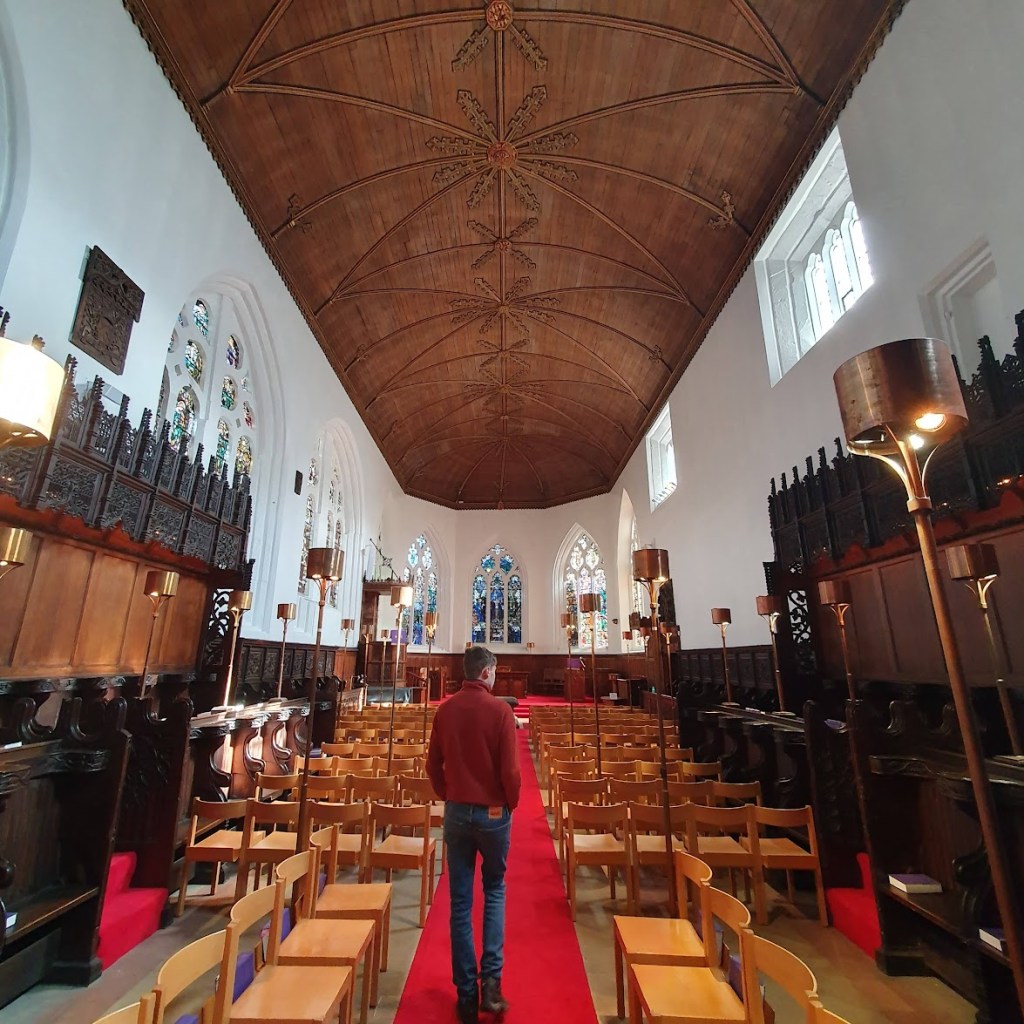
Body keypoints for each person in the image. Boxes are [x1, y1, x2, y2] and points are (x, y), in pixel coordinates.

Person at [427, 645, 522, 1024]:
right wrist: (510, 803)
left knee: (460, 904)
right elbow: (511, 774)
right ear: (485, 673)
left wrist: (447, 794)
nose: (496, 678)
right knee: (495, 890)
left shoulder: (445, 710)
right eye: (494, 672)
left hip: (456, 812)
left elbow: (432, 763)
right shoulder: (501, 711)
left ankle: (466, 995)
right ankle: (492, 985)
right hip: (493, 813)